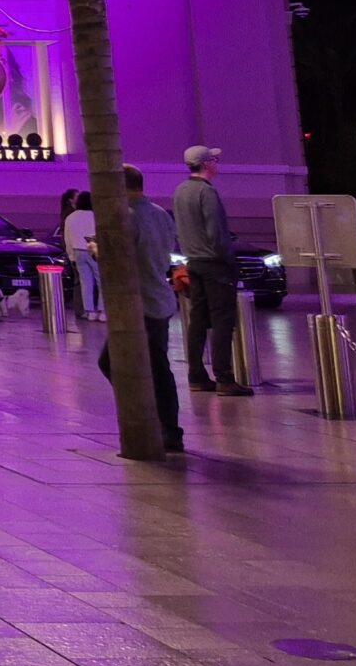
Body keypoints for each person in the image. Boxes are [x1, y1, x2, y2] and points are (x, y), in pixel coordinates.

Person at [95, 164, 184, 454]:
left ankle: (160, 423)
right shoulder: (160, 214)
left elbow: (122, 260)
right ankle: (165, 425)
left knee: (125, 363)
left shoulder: (126, 218)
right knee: (158, 365)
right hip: (160, 297)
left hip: (139, 302)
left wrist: (99, 251)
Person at [171, 146, 249, 396]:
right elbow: (216, 233)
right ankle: (224, 378)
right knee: (223, 320)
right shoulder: (207, 193)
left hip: (194, 261)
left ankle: (196, 374)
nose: (217, 163)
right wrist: (228, 260)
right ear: (206, 164)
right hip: (215, 263)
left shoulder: (181, 190)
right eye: (214, 159)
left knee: (198, 319)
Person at [60, 187, 103, 322]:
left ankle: (89, 311)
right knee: (101, 282)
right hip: (94, 250)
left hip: (78, 251)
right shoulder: (96, 216)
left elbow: (68, 238)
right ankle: (102, 311)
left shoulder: (71, 217)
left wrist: (71, 255)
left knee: (86, 283)